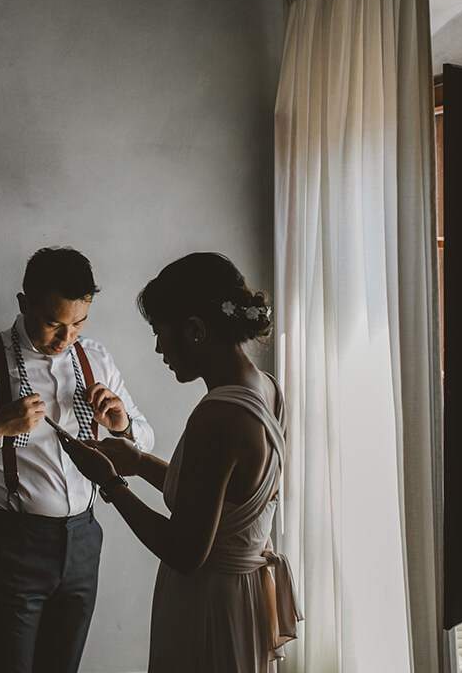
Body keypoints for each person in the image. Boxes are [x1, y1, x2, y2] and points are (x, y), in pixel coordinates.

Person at [0, 246, 155, 673]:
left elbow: (144, 440)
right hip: (10, 544)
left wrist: (121, 425)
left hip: (83, 540)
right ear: (24, 304)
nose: (66, 339)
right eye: (52, 323)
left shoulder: (96, 358)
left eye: (78, 323)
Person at [59, 252, 301, 673]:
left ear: (195, 331)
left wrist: (111, 484)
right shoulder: (267, 390)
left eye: (159, 332)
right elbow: (218, 503)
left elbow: (186, 551)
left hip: (210, 607)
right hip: (244, 597)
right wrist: (139, 461)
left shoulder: (218, 415)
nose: (157, 348)